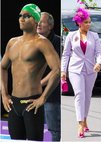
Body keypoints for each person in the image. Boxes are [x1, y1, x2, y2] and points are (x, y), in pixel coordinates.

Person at [1, 4, 60, 141]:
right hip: (13, 104)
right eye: (20, 15)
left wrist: (43, 98)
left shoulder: (42, 43)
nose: (22, 19)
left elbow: (57, 70)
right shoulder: (12, 42)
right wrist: (4, 95)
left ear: (35, 21)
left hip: (32, 103)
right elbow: (2, 67)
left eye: (26, 16)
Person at [61, 7, 101, 138]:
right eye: (86, 22)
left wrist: (99, 63)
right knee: (79, 94)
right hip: (75, 69)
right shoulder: (71, 36)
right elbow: (66, 54)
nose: (89, 24)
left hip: (91, 69)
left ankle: (84, 118)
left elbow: (99, 53)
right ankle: (80, 123)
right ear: (79, 23)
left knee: (87, 95)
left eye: (90, 22)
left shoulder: (94, 36)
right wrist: (63, 70)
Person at [37, 12, 61, 141]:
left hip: (52, 96)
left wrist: (38, 84)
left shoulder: (57, 42)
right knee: (34, 129)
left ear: (50, 26)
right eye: (37, 21)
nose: (39, 24)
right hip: (31, 95)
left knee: (54, 130)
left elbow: (57, 70)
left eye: (42, 22)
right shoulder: (29, 41)